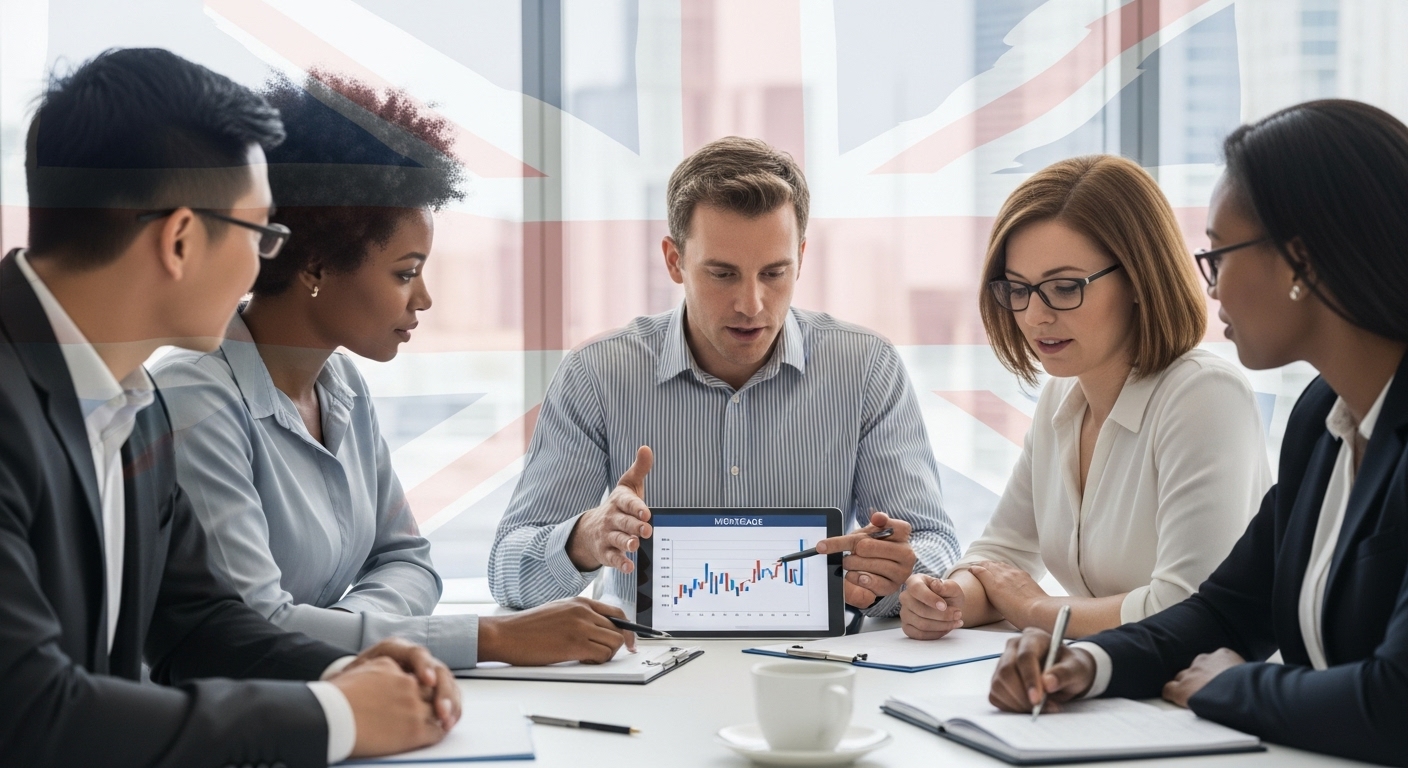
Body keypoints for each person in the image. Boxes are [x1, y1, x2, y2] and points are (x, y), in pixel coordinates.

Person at [0, 49, 461, 768]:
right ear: (180, 239)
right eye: (261, 235)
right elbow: (30, 711)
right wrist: (332, 716)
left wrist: (347, 672)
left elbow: (198, 622)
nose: (262, 265)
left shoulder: (135, 404)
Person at [151, 73, 634, 670]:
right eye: (406, 273)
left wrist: (355, 634)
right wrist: (491, 638)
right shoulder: (194, 397)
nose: (424, 299)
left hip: (334, 696)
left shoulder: (341, 385)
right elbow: (254, 628)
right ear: (316, 266)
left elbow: (409, 561)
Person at [987, 100, 1408, 765]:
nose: (1210, 286)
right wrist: (1084, 663)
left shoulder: (1210, 395)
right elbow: (1222, 612)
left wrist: (1238, 686)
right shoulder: (1321, 422)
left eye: (1221, 253)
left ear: (1300, 262)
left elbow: (1395, 703)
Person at [488, 136, 959, 616]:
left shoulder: (866, 368)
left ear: (801, 256)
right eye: (723, 274)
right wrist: (585, 539)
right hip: (645, 674)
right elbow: (510, 574)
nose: (751, 304)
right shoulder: (597, 375)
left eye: (775, 273)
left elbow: (934, 545)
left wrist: (892, 575)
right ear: (675, 261)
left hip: (810, 668)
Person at [899, 155, 1270, 640]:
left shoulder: (1203, 396)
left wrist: (1035, 607)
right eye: (1018, 289)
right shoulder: (1062, 398)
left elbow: (1186, 604)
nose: (1034, 316)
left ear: (1139, 279)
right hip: (1107, 682)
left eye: (1064, 287)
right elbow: (999, 557)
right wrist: (946, 600)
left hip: (1204, 695)